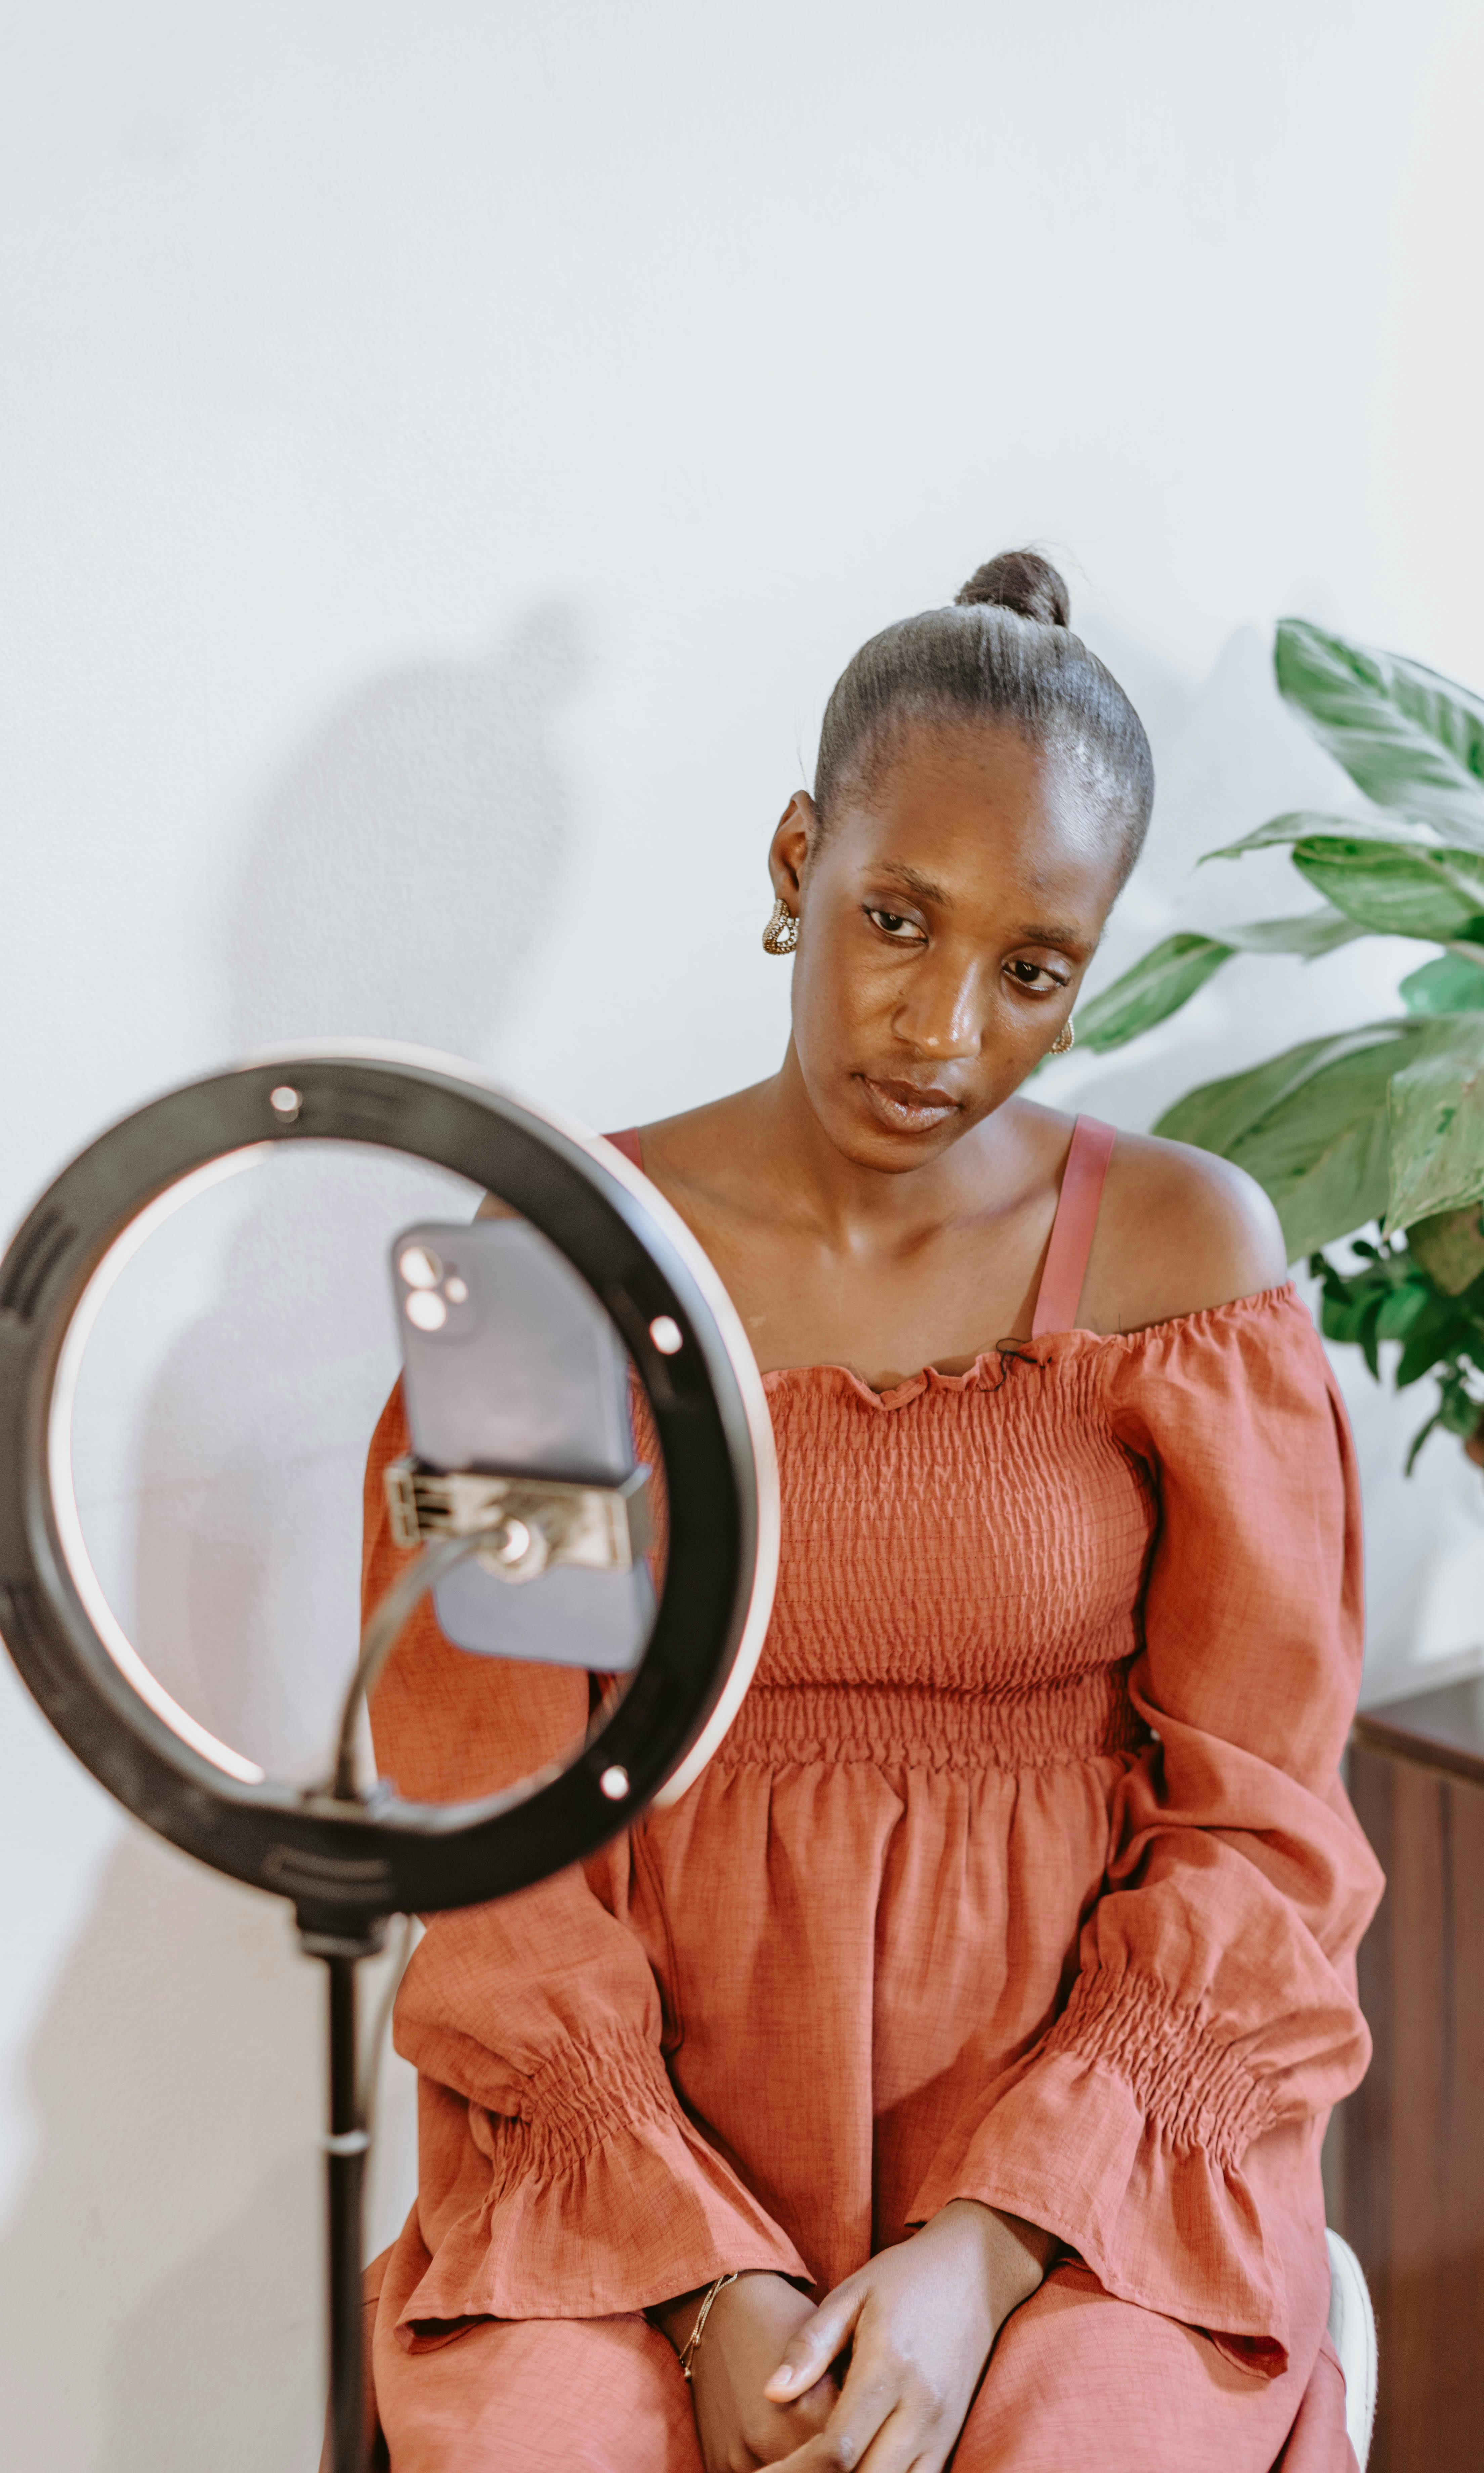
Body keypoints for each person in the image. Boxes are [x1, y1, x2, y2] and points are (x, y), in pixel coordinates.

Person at [356, 550, 1383, 2471]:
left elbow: (1266, 1834)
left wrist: (995, 2251)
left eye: (1032, 971)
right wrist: (697, 2266)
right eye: (896, 920)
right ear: (792, 865)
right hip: (623, 2162)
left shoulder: (1181, 1260)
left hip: (1091, 2180)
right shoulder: (555, 1269)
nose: (940, 1032)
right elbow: (486, 1825)